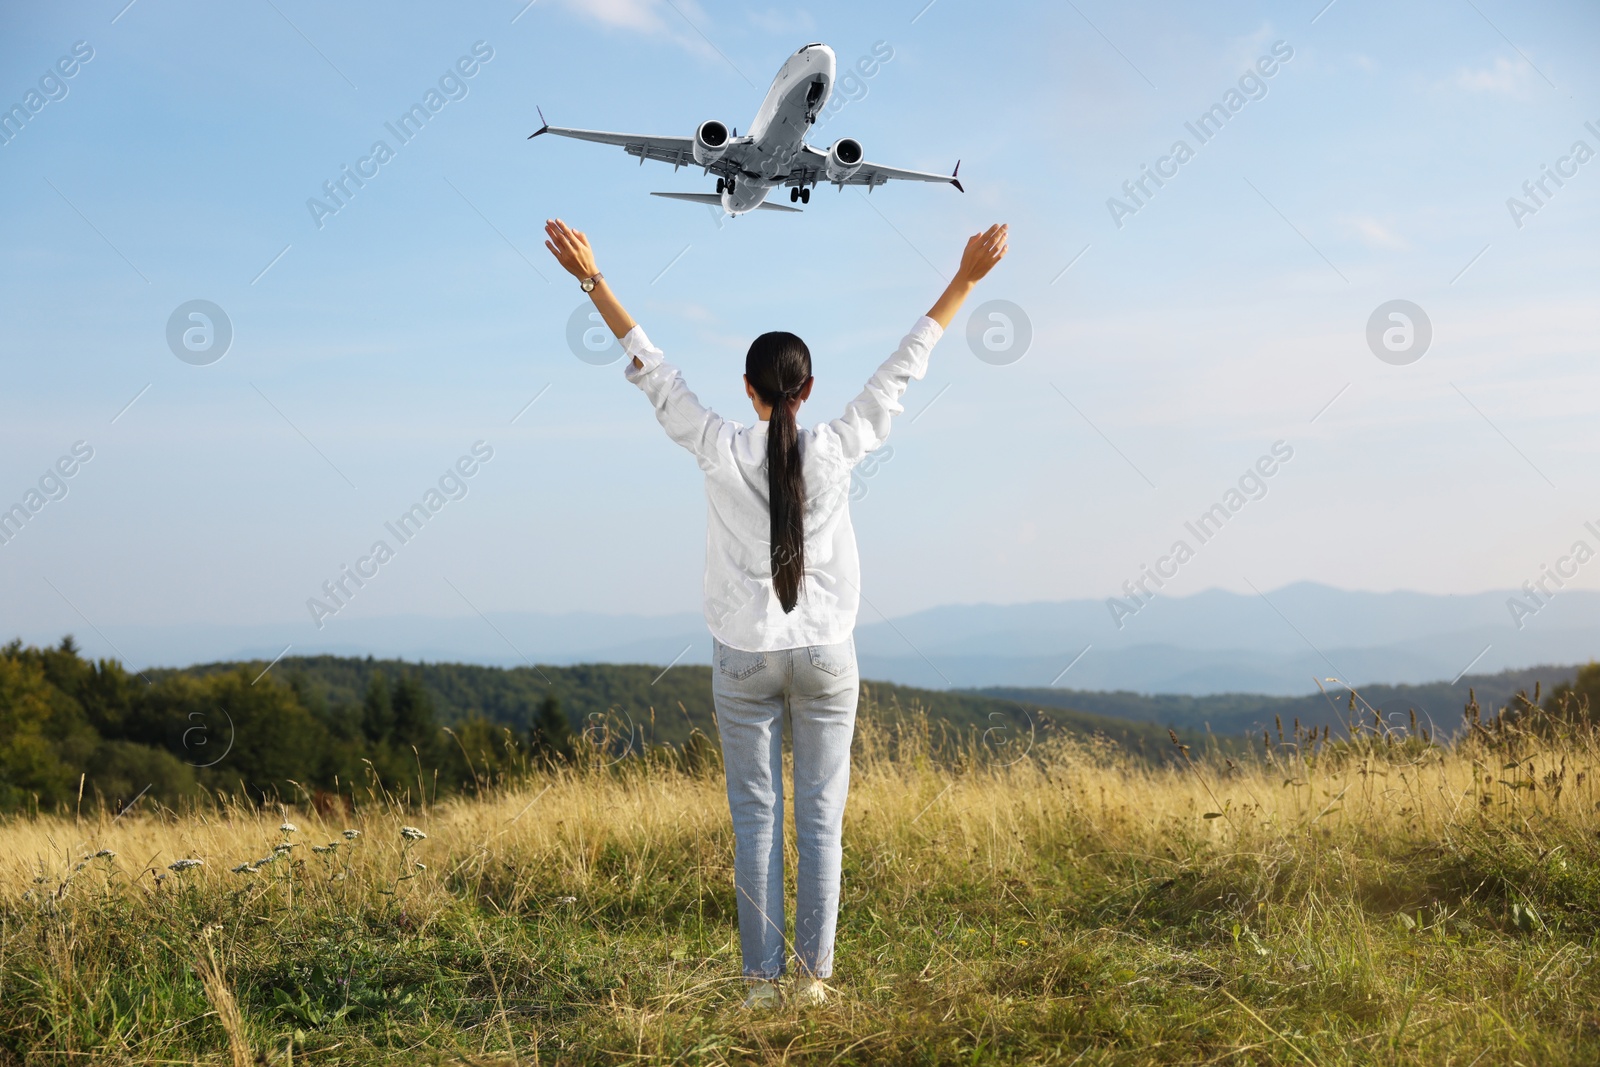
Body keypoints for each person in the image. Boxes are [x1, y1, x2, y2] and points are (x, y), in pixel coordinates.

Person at [543, 217, 1009, 1009]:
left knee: (755, 820)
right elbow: (904, 368)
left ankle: (760, 985)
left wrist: (592, 280)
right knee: (821, 820)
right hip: (828, 653)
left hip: (743, 657)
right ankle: (814, 983)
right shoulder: (834, 445)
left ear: (752, 392)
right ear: (809, 390)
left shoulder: (717, 443)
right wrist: (965, 279)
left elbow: (652, 366)